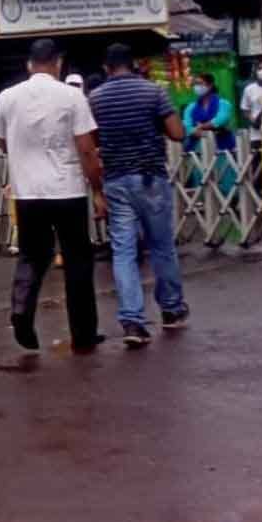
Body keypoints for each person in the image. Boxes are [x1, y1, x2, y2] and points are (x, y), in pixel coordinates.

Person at [0, 39, 105, 353]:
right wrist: (97, 189)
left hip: (27, 192)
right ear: (58, 63)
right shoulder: (72, 96)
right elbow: (86, 148)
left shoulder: (7, 97)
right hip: (66, 189)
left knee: (31, 255)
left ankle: (21, 310)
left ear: (29, 64)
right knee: (78, 260)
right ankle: (83, 334)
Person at [89, 43, 189, 348]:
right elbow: (177, 133)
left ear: (106, 68)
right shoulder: (153, 92)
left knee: (123, 251)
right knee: (161, 246)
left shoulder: (94, 98)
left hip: (116, 180)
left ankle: (132, 320)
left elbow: (92, 141)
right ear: (133, 64)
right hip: (150, 178)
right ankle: (171, 309)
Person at [184, 72, 237, 198]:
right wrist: (197, 131)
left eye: (200, 83)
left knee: (225, 175)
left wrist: (200, 126)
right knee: (201, 176)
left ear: (210, 85)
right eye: (195, 84)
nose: (197, 87)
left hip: (221, 145)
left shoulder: (223, 103)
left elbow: (220, 120)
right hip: (198, 147)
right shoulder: (191, 107)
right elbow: (187, 125)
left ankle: (229, 201)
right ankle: (206, 202)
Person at [241, 58, 262, 193]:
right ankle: (258, 195)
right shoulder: (249, 89)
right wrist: (253, 121)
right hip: (256, 135)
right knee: (257, 165)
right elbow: (245, 110)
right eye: (261, 68)